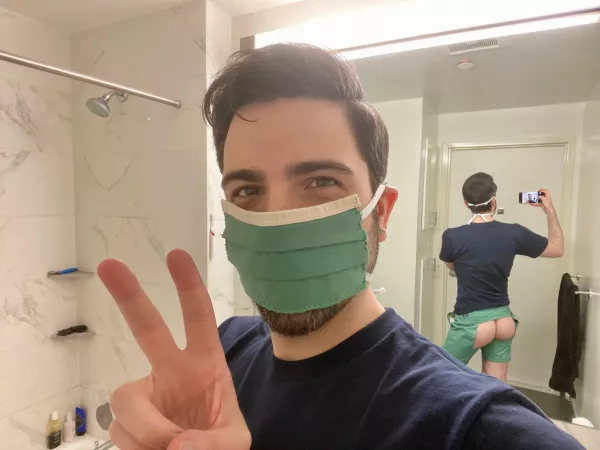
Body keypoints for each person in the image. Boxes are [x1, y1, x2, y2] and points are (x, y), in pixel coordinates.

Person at [96, 45, 582, 450]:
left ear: (381, 213)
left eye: (320, 181)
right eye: (247, 190)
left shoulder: (472, 426)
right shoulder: (225, 349)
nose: (278, 220)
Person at [440, 172, 564, 381]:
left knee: (441, 375)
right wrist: (549, 210)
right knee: (497, 384)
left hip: (473, 322)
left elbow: (452, 267)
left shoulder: (452, 236)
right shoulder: (514, 233)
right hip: (503, 320)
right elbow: (557, 248)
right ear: (494, 201)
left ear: (466, 203)